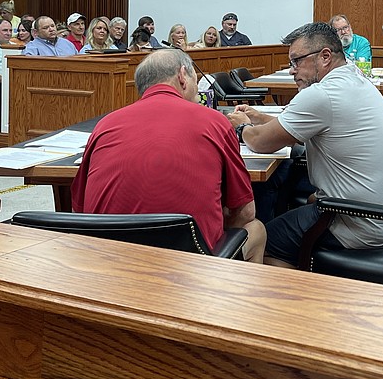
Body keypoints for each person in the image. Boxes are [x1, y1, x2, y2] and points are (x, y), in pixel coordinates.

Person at [227, 22, 383, 267]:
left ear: (325, 56)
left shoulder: (322, 94)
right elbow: (296, 127)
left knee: (262, 241)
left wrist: (241, 127)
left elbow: (261, 142)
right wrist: (259, 118)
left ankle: (299, 290)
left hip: (359, 222)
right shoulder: (356, 79)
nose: (292, 70)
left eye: (296, 61)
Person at [72, 48, 265, 261]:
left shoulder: (104, 125)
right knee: (256, 229)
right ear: (182, 76)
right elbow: (245, 213)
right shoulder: (215, 121)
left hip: (107, 262)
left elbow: (78, 209)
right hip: (190, 266)